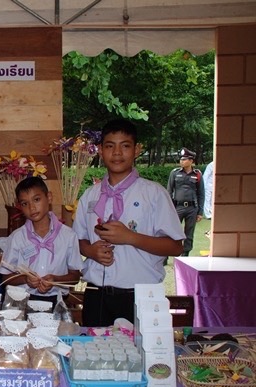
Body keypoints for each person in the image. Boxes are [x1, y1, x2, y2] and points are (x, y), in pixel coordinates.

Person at [73, 119, 184, 327]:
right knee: (95, 347)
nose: (117, 153)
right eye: (109, 146)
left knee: (139, 347)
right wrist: (90, 251)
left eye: (125, 146)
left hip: (140, 296)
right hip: (96, 294)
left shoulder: (153, 194)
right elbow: (78, 239)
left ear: (137, 150)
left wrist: (131, 238)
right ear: (100, 151)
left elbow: (176, 246)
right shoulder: (90, 195)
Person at [0, 176, 83, 305]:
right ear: (19, 206)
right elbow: (5, 277)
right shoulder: (17, 237)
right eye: (25, 203)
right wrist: (25, 279)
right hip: (23, 301)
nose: (32, 207)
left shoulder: (68, 236)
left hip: (56, 301)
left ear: (49, 197)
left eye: (36, 200)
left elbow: (75, 277)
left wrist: (55, 279)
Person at [167, 147, 205, 256]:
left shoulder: (197, 174)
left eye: (184, 159)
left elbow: (201, 194)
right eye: (181, 159)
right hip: (177, 207)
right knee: (172, 231)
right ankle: (167, 254)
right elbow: (169, 191)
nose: (181, 161)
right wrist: (169, 208)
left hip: (192, 208)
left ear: (191, 161)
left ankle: (185, 254)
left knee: (189, 233)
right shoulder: (175, 173)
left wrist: (200, 212)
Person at [202, 161, 214, 237]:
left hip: (214, 185)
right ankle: (207, 214)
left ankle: (212, 212)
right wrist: (203, 186)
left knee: (212, 200)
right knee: (207, 200)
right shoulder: (211, 164)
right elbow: (206, 175)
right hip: (208, 185)